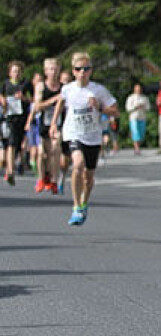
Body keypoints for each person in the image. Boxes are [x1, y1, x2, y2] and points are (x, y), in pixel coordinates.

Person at [49, 52, 118, 226]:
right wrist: (53, 124)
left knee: (88, 177)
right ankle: (76, 206)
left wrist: (99, 106)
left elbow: (115, 111)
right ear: (73, 71)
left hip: (93, 136)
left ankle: (84, 202)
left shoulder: (98, 90)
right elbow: (60, 103)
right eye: (79, 69)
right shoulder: (68, 89)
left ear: (91, 70)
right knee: (78, 164)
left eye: (86, 69)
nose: (82, 72)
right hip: (73, 133)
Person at [28, 58, 64, 193]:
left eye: (55, 69)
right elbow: (37, 106)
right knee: (42, 154)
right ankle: (41, 178)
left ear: (59, 70)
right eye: (50, 69)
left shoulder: (64, 87)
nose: (53, 72)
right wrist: (54, 100)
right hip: (44, 124)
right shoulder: (41, 87)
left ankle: (54, 180)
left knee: (55, 149)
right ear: (45, 71)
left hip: (58, 124)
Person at [1, 60, 33, 186]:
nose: (16, 74)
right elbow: (1, 95)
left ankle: (19, 163)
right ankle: (10, 171)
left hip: (23, 118)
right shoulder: (6, 84)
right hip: (10, 118)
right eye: (14, 71)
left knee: (20, 145)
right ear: (10, 73)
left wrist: (24, 98)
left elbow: (33, 100)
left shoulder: (26, 84)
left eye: (18, 71)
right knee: (11, 143)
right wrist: (3, 100)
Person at [125, 83, 150, 155]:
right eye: (137, 89)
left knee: (141, 134)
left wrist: (143, 107)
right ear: (134, 89)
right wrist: (135, 107)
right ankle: (137, 148)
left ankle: (138, 147)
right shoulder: (131, 98)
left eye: (139, 89)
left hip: (142, 117)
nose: (138, 90)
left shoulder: (144, 98)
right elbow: (128, 108)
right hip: (134, 118)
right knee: (136, 133)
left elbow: (148, 108)